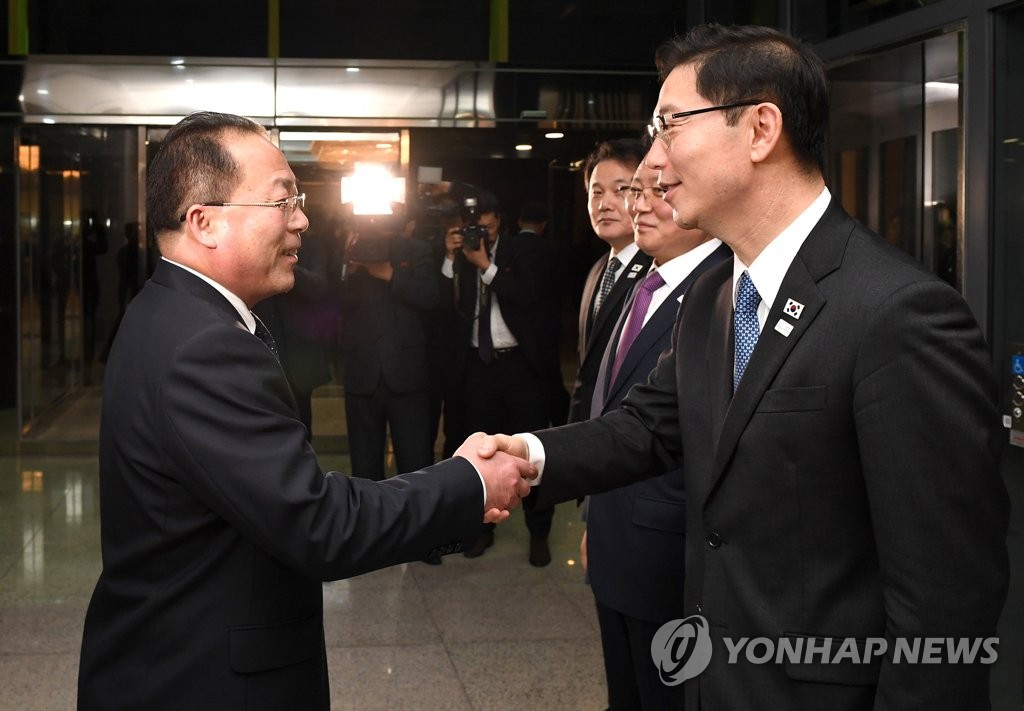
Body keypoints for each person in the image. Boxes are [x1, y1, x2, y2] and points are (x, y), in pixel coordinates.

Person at [484, 24, 1009, 710]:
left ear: (761, 129)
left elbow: (946, 600)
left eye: (670, 126)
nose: (654, 160)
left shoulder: (898, 314)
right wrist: (524, 454)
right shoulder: (714, 293)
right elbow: (648, 426)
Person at [77, 111, 535, 711]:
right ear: (204, 222)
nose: (302, 219)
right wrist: (468, 482)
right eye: (282, 201)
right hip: (205, 680)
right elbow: (321, 525)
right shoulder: (203, 346)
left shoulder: (167, 311)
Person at [583, 162, 730, 710]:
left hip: (668, 553)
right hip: (616, 533)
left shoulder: (722, 290)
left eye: (657, 191)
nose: (638, 205)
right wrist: (594, 513)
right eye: (635, 190)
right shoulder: (640, 280)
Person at [441, 191, 554, 566]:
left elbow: (528, 295)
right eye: (475, 227)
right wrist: (451, 258)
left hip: (520, 365)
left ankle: (539, 531)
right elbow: (443, 305)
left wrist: (486, 265)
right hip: (478, 365)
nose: (481, 233)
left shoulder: (522, 250)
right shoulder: (460, 252)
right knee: (480, 451)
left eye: (487, 226)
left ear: (499, 221)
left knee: (533, 450)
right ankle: (482, 528)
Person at [338, 214, 439, 482]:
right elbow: (332, 302)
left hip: (407, 374)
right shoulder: (350, 250)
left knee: (416, 466)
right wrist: (346, 265)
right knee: (365, 469)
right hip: (362, 374)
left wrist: (390, 274)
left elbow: (431, 297)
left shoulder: (415, 249)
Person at [568, 139, 653, 426]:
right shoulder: (597, 270)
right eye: (596, 192)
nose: (604, 204)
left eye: (621, 190)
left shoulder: (657, 273)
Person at [517, 199, 570, 427]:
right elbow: (561, 289)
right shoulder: (553, 250)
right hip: (547, 326)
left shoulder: (510, 248)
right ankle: (561, 426)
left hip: (517, 331)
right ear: (543, 224)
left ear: (519, 222)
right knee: (551, 381)